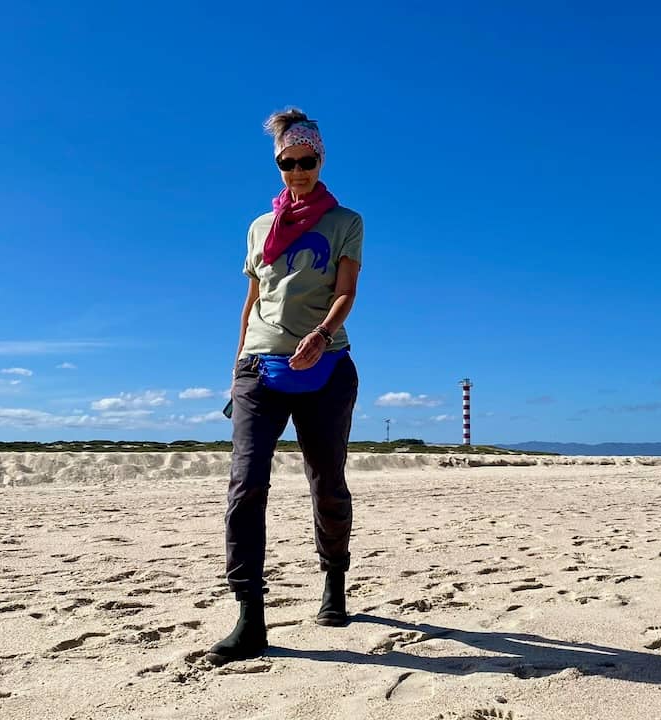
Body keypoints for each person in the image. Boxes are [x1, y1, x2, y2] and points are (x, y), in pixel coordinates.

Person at [205, 108, 363, 665]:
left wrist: (322, 334)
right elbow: (251, 303)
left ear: (321, 159)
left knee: (327, 485)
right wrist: (235, 368)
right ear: (277, 164)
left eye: (306, 161)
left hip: (325, 368)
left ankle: (334, 583)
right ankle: (250, 617)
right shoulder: (257, 227)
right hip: (258, 368)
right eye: (287, 163)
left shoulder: (345, 221)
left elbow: (346, 293)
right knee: (245, 487)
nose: (297, 171)